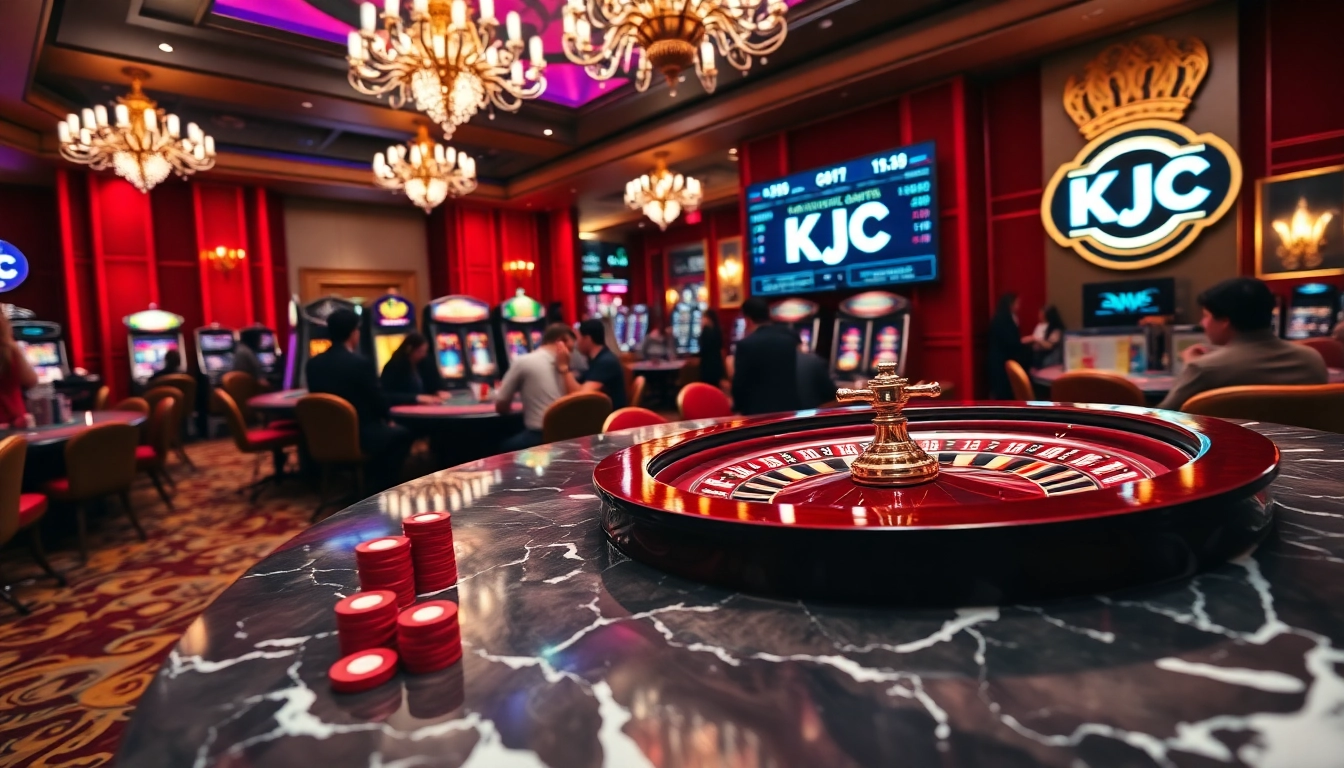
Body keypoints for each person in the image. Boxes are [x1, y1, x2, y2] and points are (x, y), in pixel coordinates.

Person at [306, 309, 436, 491]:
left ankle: (357, 480)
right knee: (402, 434)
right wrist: (388, 419)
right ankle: (380, 487)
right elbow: (377, 400)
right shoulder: (360, 363)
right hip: (361, 433)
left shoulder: (313, 364)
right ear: (354, 333)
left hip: (324, 435)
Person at [1158, 277, 1328, 410]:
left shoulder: (1203, 369)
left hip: (1234, 454)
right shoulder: (1313, 359)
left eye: (1206, 316)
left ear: (1225, 321)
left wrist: (1191, 367)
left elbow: (1159, 420)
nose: (1203, 323)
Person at [495, 323, 577, 451]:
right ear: (562, 341)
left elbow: (501, 406)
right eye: (572, 347)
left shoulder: (523, 361)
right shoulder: (567, 367)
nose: (572, 352)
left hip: (539, 438)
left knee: (499, 448)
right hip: (569, 438)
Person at [732, 296, 802, 415]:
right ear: (769, 314)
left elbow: (739, 388)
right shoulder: (791, 336)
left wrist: (736, 408)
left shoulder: (746, 345)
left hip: (759, 418)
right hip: (792, 412)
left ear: (747, 319)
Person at [559, 318, 627, 409]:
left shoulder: (606, 362)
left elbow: (580, 398)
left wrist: (564, 367)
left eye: (578, 338)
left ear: (587, 339)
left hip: (609, 419)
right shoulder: (599, 358)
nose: (576, 344)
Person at [987, 293, 1031, 399]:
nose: (1019, 306)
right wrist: (1022, 342)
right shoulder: (1004, 318)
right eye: (1017, 303)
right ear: (1010, 304)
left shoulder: (1001, 316)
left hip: (999, 359)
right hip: (1001, 360)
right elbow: (1009, 341)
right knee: (1004, 393)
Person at [0, 313, 38, 429]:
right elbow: (31, 380)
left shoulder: (10, 349)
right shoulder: (10, 349)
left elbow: (31, 380)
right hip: (16, 428)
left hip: (13, 429)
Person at [380, 332, 438, 399]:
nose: (423, 355)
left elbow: (434, 384)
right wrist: (416, 398)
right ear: (409, 349)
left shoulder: (425, 363)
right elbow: (388, 395)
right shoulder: (394, 366)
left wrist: (438, 391)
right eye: (420, 351)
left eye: (425, 351)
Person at [1026, 304, 1066, 369]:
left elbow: (1049, 345)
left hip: (1049, 357)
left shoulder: (1056, 329)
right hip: (1037, 355)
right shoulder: (1039, 326)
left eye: (1041, 313)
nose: (1039, 315)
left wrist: (1036, 340)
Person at [697, 312, 726, 387]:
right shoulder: (718, 330)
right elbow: (721, 349)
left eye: (703, 318)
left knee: (707, 387)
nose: (701, 320)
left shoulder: (706, 331)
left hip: (707, 365)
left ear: (708, 319)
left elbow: (703, 349)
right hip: (717, 364)